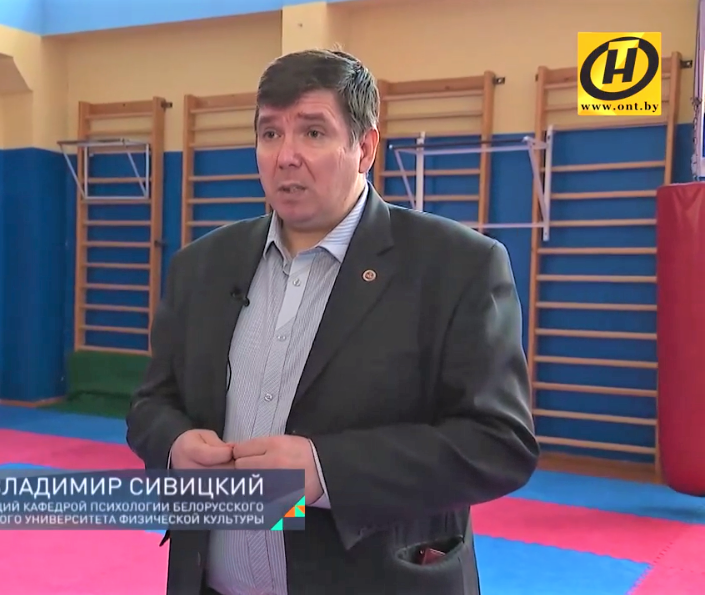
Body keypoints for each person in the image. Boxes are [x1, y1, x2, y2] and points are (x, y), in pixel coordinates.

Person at [125, 48, 539, 595]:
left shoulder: (456, 266)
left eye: (313, 133)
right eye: (270, 134)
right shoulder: (201, 266)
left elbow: (499, 443)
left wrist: (325, 472)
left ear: (364, 147)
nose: (286, 156)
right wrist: (175, 445)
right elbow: (151, 404)